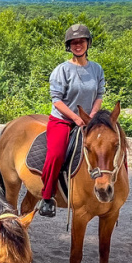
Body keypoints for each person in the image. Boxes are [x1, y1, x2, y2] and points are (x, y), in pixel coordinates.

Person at [39, 23, 105, 217]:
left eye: (81, 42)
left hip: (89, 119)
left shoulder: (96, 69)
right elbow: (57, 100)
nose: (78, 45)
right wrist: (76, 118)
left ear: (88, 44)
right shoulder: (62, 70)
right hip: (63, 120)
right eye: (74, 43)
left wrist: (92, 115)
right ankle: (47, 197)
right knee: (56, 154)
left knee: (108, 147)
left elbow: (99, 95)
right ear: (69, 46)